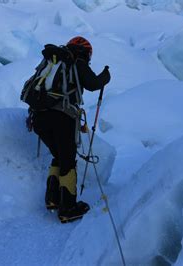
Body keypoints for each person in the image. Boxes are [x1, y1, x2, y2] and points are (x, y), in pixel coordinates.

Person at [32, 36, 110, 223]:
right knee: (68, 161)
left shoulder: (52, 61)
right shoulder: (77, 61)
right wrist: (105, 77)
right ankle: (68, 208)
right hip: (62, 118)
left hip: (39, 117)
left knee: (59, 156)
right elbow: (92, 84)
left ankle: (52, 199)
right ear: (84, 52)